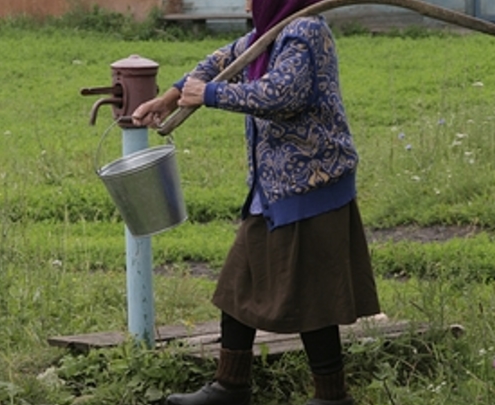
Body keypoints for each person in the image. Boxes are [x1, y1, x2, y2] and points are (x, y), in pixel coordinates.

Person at [132, 0, 381, 404]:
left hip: (310, 184)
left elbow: (283, 94)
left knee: (314, 296)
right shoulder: (267, 35)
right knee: (237, 285)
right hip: (273, 188)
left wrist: (210, 95)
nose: (248, 2)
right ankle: (230, 387)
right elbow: (218, 61)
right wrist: (170, 97)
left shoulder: (305, 32)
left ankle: (332, 397)